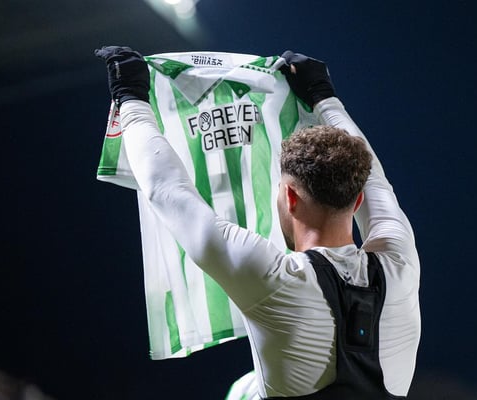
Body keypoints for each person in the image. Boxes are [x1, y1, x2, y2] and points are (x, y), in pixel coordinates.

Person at [95, 46, 421, 399]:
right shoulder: (399, 263)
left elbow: (166, 189)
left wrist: (129, 97)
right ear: (356, 201)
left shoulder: (277, 280)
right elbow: (375, 181)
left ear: (291, 197)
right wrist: (324, 98)